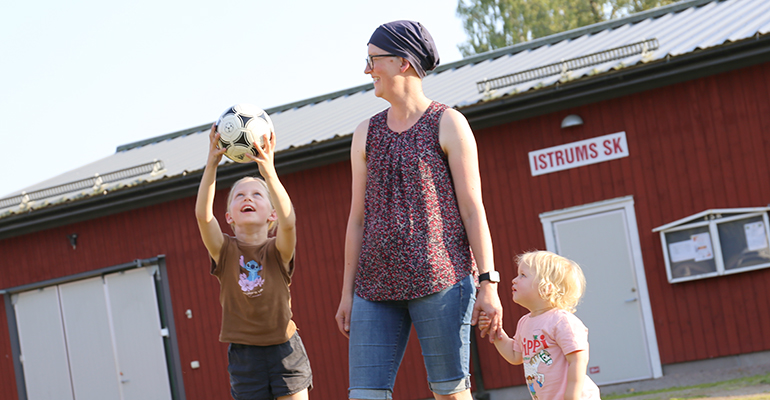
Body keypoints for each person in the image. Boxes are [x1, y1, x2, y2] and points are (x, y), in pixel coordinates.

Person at [334, 20, 503, 400]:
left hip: (441, 282)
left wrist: (488, 283)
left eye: (372, 59)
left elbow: (473, 209)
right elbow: (357, 219)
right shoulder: (365, 133)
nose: (366, 69)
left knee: (449, 393)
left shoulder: (448, 123)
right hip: (373, 288)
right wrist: (347, 293)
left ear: (403, 63)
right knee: (364, 396)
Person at [195, 125, 312, 400]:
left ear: (271, 214)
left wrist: (268, 172)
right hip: (245, 357)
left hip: (286, 349)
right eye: (239, 196)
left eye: (257, 194)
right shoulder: (223, 250)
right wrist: (212, 163)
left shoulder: (278, 250)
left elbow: (290, 221)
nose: (247, 197)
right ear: (229, 217)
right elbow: (203, 216)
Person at [478, 251, 601, 400]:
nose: (514, 280)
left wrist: (572, 394)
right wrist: (496, 331)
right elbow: (515, 355)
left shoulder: (561, 321)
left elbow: (578, 359)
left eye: (523, 275)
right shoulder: (525, 322)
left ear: (546, 288)